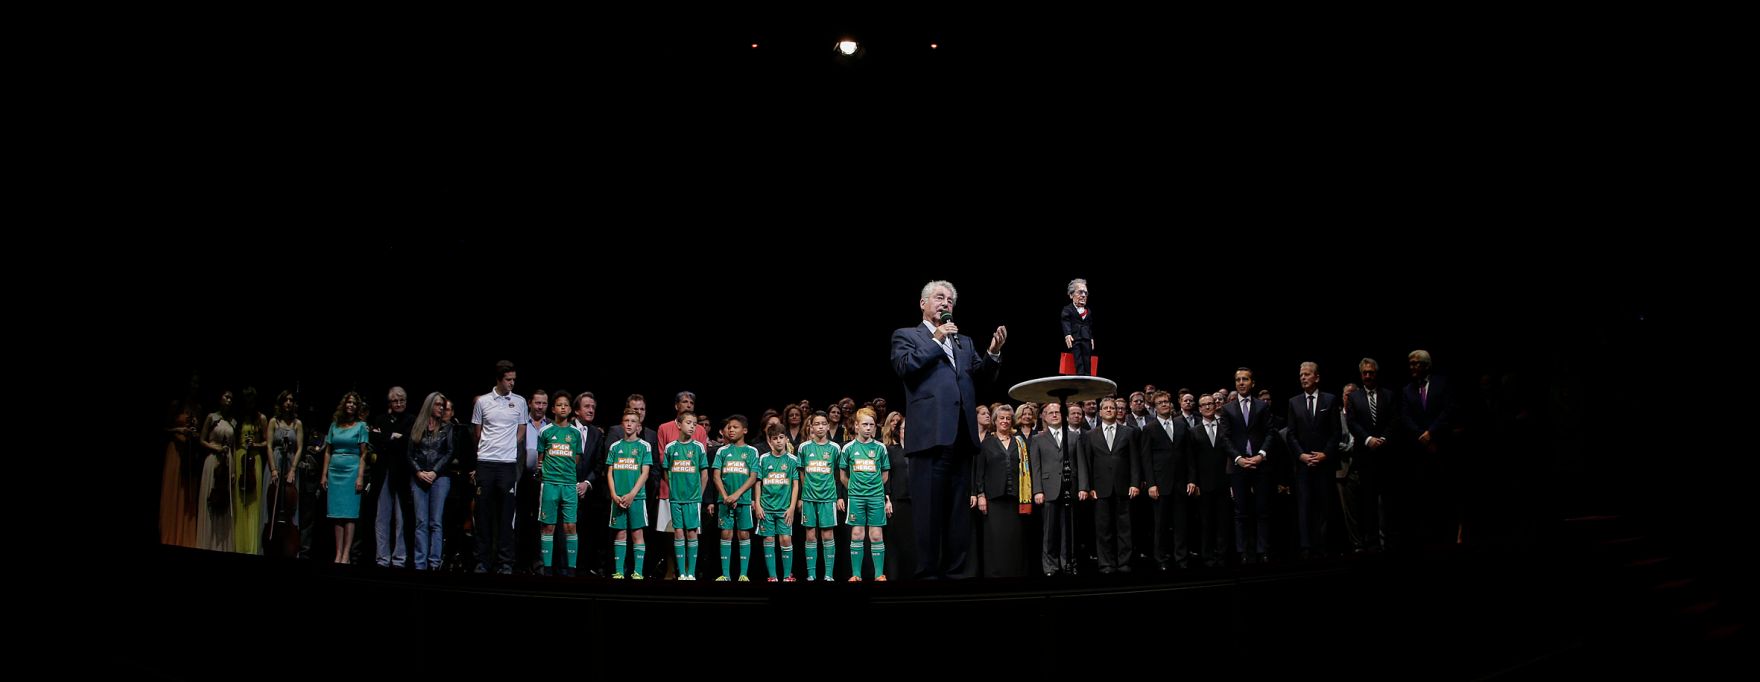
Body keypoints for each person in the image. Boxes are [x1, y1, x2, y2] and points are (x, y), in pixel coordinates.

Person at [890, 280, 1007, 580]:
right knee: (928, 511)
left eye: (950, 300)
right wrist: (936, 339)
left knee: (957, 513)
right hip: (929, 437)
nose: (945, 304)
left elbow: (981, 379)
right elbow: (905, 367)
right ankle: (927, 575)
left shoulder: (964, 342)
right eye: (939, 298)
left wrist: (993, 353)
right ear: (923, 303)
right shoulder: (907, 335)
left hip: (961, 437)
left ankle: (957, 575)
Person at [471, 360, 528, 574]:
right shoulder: (482, 402)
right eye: (508, 380)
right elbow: (477, 433)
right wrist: (489, 449)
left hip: (507, 465)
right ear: (498, 379)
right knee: (483, 515)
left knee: (507, 516)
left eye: (514, 379)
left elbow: (522, 428)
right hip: (486, 463)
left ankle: (505, 563)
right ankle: (481, 561)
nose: (512, 383)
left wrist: (510, 445)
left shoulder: (520, 402)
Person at [840, 408, 891, 581]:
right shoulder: (847, 448)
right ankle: (856, 574)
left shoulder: (880, 448)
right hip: (856, 498)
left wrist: (873, 488)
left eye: (871, 424)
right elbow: (842, 476)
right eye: (865, 424)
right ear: (856, 426)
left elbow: (885, 475)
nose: (868, 428)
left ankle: (879, 574)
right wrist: (855, 489)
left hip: (876, 497)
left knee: (876, 535)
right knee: (857, 534)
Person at [535, 391, 583, 577]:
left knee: (570, 526)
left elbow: (577, 458)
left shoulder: (575, 433)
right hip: (549, 484)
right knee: (548, 527)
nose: (563, 407)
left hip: (569, 485)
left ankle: (571, 570)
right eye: (559, 405)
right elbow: (541, 458)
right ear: (553, 408)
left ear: (570, 409)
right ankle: (547, 569)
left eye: (566, 405)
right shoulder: (545, 431)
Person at [407, 392, 453, 571]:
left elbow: (449, 452)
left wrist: (434, 472)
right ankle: (420, 563)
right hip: (419, 477)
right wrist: (418, 472)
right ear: (429, 405)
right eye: (438, 405)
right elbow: (409, 454)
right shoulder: (418, 426)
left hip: (439, 478)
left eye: (443, 405)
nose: (441, 408)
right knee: (421, 522)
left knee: (435, 522)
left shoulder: (447, 428)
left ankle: (434, 563)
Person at [661, 410, 708, 580]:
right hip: (676, 499)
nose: (692, 426)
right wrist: (673, 489)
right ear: (679, 425)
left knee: (692, 533)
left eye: (694, 424)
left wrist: (699, 495)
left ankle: (691, 573)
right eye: (689, 423)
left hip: (693, 499)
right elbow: (666, 471)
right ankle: (681, 572)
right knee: (678, 533)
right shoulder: (670, 447)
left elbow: (704, 474)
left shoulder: (698, 447)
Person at [711, 415, 758, 581]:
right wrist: (725, 496)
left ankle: (743, 574)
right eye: (729, 427)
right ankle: (725, 575)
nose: (731, 430)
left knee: (744, 534)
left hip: (743, 500)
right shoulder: (722, 451)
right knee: (726, 533)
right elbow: (716, 475)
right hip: (724, 500)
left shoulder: (752, 451)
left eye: (735, 427)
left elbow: (753, 477)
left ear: (744, 430)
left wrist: (737, 494)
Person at [606, 409, 652, 579]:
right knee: (620, 533)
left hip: (637, 498)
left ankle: (638, 572)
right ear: (622, 423)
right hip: (618, 498)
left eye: (633, 421)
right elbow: (609, 472)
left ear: (638, 425)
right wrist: (613, 494)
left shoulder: (644, 446)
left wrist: (633, 494)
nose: (629, 424)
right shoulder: (615, 446)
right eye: (627, 420)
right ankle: (619, 571)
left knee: (637, 533)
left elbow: (645, 473)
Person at [796, 411, 841, 581]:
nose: (820, 426)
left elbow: (839, 472)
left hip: (828, 498)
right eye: (817, 424)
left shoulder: (835, 448)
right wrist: (804, 493)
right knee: (810, 535)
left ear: (828, 426)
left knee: (827, 535)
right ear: (811, 427)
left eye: (823, 423)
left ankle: (828, 574)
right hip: (808, 498)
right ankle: (811, 575)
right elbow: (801, 473)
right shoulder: (804, 447)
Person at [755, 424, 800, 582]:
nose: (779, 441)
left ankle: (787, 575)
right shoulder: (763, 459)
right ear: (769, 441)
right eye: (775, 438)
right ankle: (772, 577)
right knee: (768, 539)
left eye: (781, 437)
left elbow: (796, 485)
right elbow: (758, 483)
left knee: (786, 540)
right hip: (766, 508)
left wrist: (792, 507)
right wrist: (758, 505)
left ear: (786, 439)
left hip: (784, 509)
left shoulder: (793, 460)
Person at [1061, 278, 1093, 376]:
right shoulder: (1068, 310)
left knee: (1087, 358)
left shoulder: (1088, 311)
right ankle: (1080, 376)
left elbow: (1089, 325)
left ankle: (1088, 376)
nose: (1083, 295)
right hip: (1076, 338)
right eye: (1080, 292)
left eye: (1085, 293)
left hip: (1086, 338)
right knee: (1078, 357)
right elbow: (1065, 321)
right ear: (1071, 295)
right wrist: (1067, 334)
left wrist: (1091, 337)